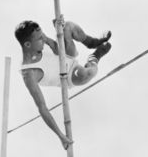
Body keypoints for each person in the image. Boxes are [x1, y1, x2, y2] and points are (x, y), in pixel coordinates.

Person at [14, 18, 112, 150]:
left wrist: (58, 29)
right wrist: (60, 135)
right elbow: (42, 107)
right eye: (39, 39)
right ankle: (94, 57)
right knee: (85, 74)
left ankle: (92, 42)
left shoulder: (38, 35)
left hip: (65, 54)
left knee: (68, 26)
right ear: (27, 45)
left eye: (42, 35)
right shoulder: (29, 73)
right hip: (69, 74)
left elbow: (54, 47)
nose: (43, 39)